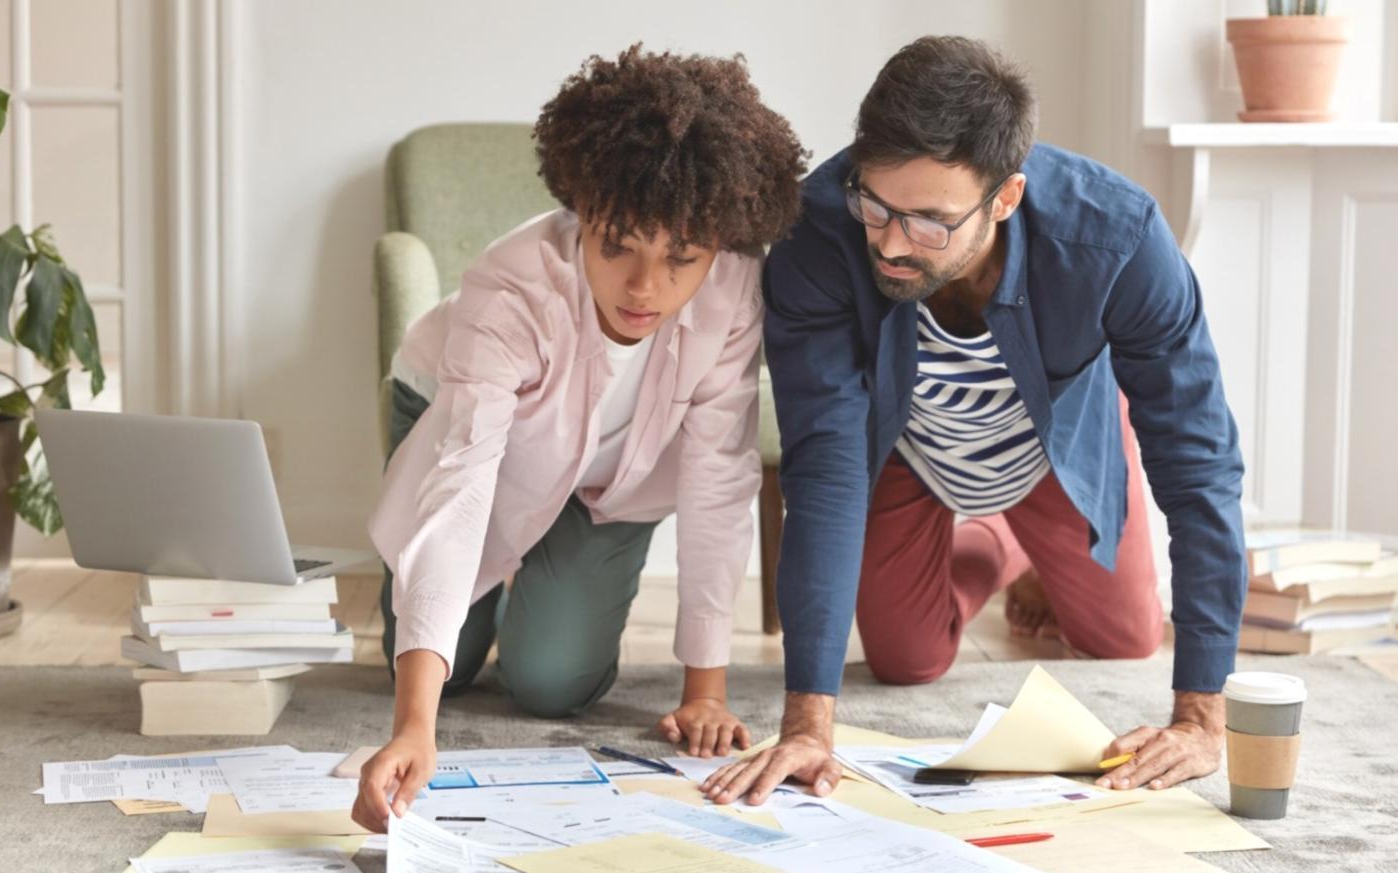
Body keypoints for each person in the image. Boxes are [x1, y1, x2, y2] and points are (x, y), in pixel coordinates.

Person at [704, 35, 1245, 807]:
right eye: (877, 206)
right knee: (905, 660)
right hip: (908, 449)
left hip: (1053, 445)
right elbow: (824, 462)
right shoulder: (817, 230)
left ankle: (1020, 538)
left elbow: (1201, 466)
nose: (891, 243)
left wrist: (1201, 719)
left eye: (929, 223)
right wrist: (806, 725)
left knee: (1125, 636)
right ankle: (992, 543)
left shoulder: (1118, 240)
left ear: (1005, 198)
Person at [353, 45, 807, 832]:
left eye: (680, 259)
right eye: (617, 245)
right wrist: (414, 727)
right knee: (444, 666)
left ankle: (541, 573)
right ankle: (451, 612)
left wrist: (706, 690)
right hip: (458, 423)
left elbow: (717, 477)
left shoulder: (736, 289)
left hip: (613, 478)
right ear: (583, 212)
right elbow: (459, 489)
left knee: (549, 681)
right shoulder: (511, 289)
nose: (644, 287)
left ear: (716, 249)